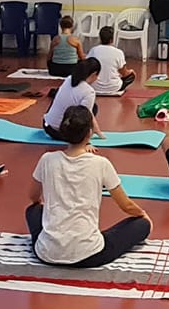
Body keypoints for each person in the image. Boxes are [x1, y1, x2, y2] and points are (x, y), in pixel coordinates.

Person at [27, 107, 152, 268]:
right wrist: (143, 215)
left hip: (47, 254)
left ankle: (55, 243)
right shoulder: (101, 163)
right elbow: (126, 205)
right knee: (142, 225)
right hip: (89, 255)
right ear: (89, 133)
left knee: (33, 211)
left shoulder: (47, 159)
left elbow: (33, 197)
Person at [43, 57, 104, 141]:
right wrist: (97, 133)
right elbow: (87, 115)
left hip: (47, 126)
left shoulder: (69, 79)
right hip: (61, 133)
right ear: (94, 74)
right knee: (91, 109)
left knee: (91, 107)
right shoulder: (89, 92)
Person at [88, 25, 136, 96]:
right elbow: (124, 73)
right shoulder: (118, 52)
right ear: (112, 39)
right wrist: (131, 71)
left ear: (100, 38)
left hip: (94, 87)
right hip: (114, 87)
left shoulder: (93, 50)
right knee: (132, 75)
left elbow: (88, 68)